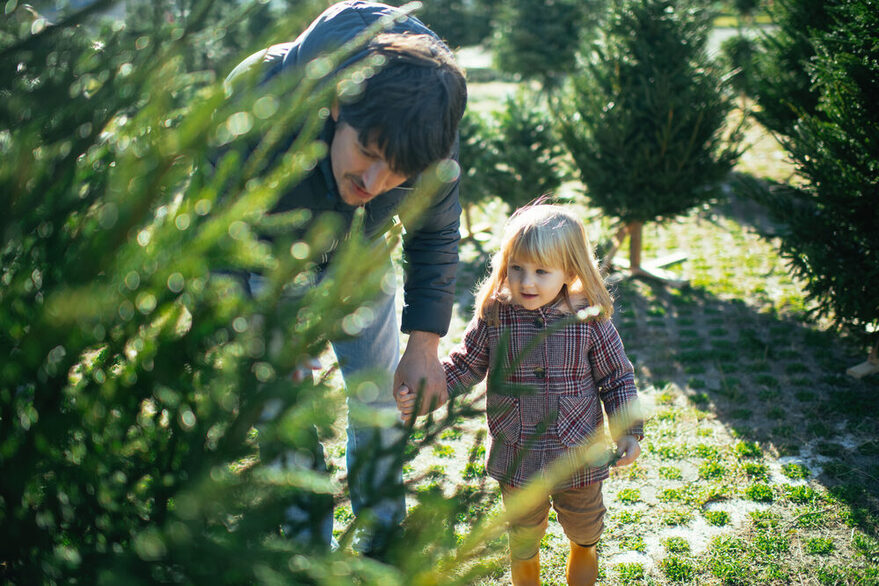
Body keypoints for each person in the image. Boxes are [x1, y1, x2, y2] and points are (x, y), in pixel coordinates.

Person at [224, 1, 467, 555]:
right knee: (281, 413)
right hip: (262, 265)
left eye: (398, 171)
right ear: (338, 105)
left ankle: (380, 542)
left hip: (364, 260)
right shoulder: (260, 94)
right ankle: (308, 548)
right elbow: (215, 224)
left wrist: (426, 342)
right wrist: (258, 326)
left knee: (381, 402)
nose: (376, 182)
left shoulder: (430, 131)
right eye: (368, 153)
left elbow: (436, 234)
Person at [396, 204, 643, 585]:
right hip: (517, 454)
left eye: (542, 271)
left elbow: (617, 379)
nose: (527, 282)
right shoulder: (497, 316)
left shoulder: (589, 320)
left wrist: (628, 430)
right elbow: (465, 365)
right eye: (517, 268)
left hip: (579, 454)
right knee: (523, 539)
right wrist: (431, 390)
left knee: (585, 529)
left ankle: (584, 552)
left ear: (570, 271)